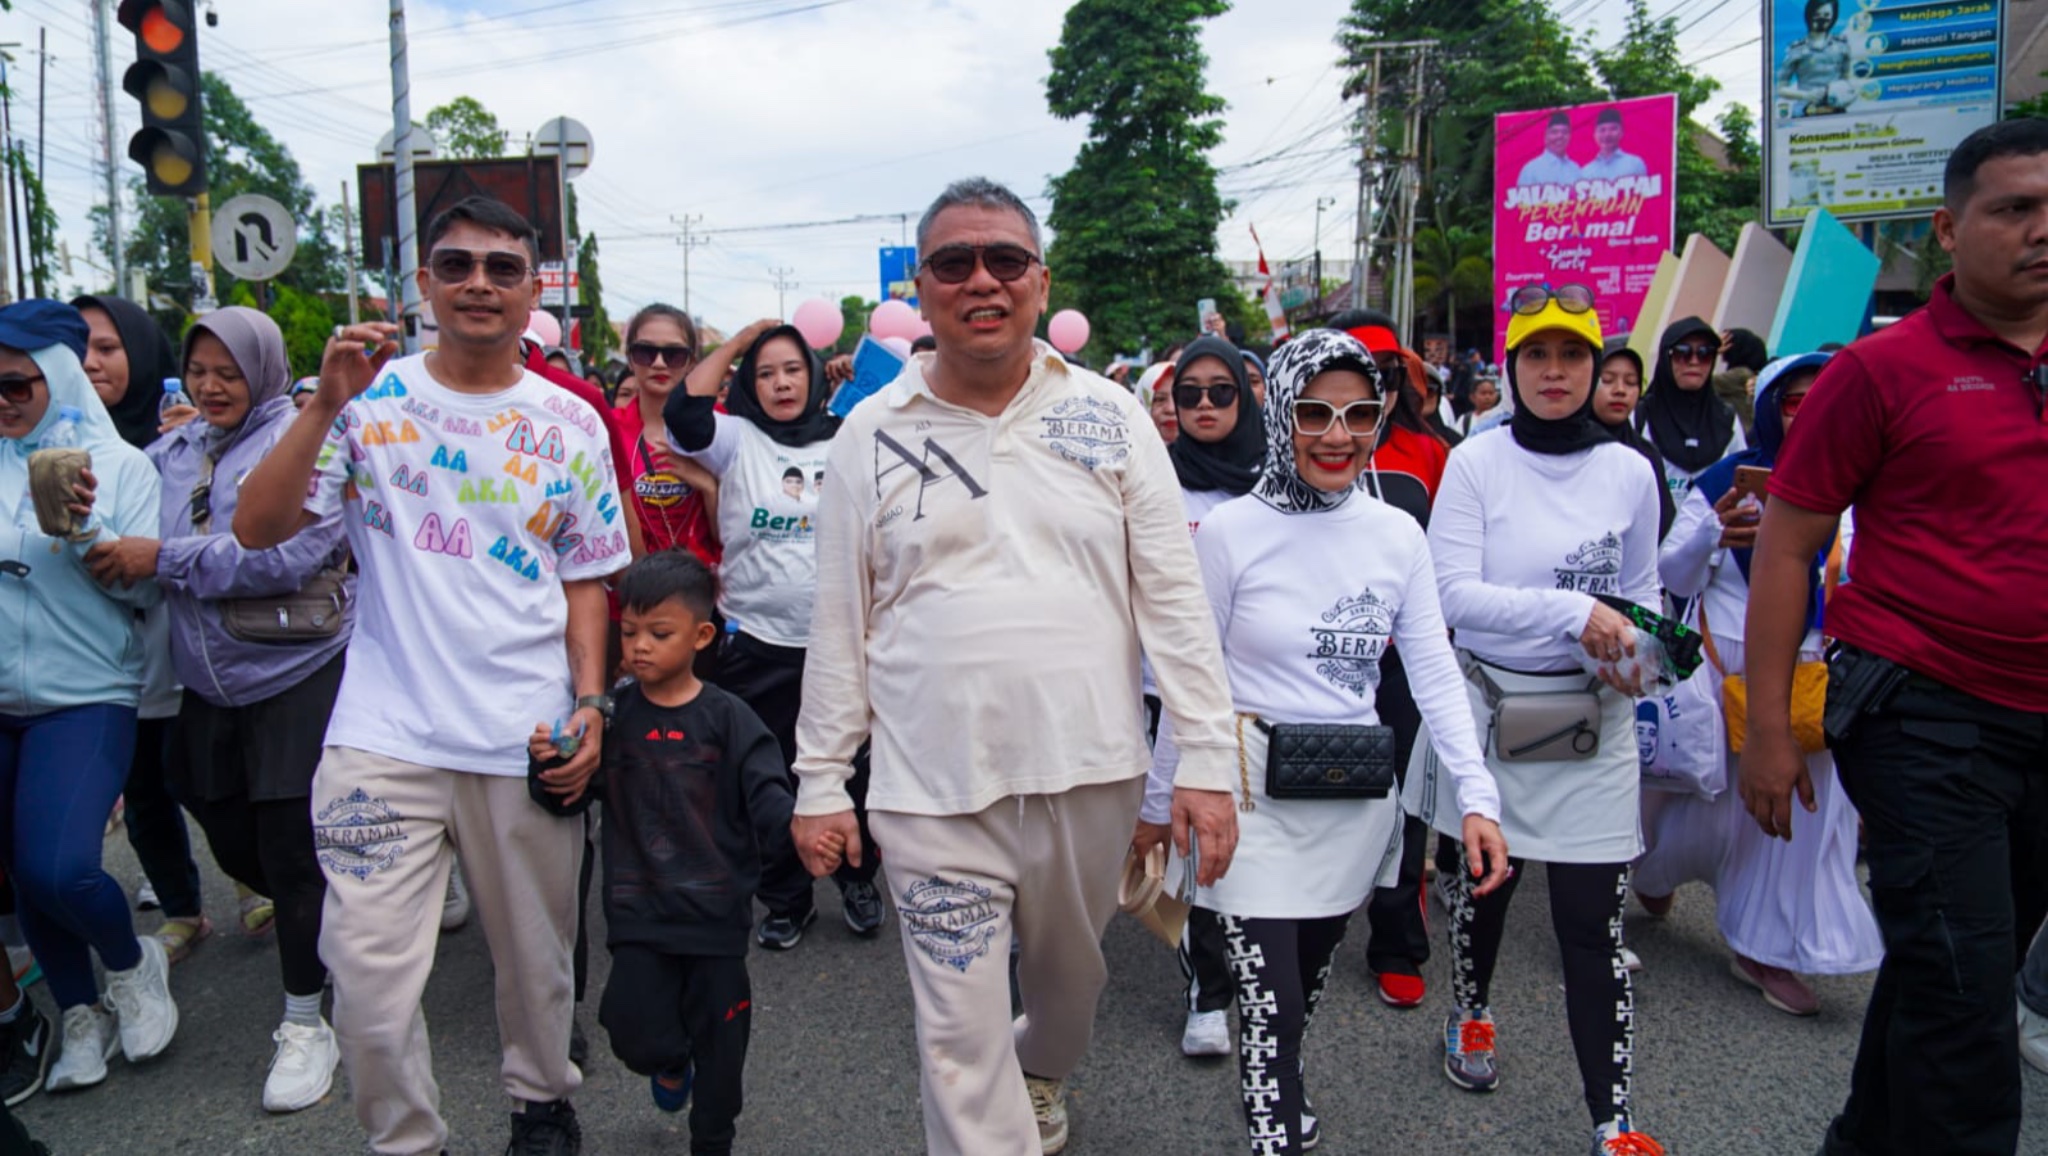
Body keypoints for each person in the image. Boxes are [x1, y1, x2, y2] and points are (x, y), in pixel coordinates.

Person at [790, 177, 1241, 1156]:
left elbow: (1172, 598)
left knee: (1066, 996)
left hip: (1089, 772)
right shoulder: (870, 431)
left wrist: (1206, 759)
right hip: (928, 789)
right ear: (925, 284)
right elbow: (837, 620)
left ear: (1039, 281)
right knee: (956, 1038)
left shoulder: (1112, 415)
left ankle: (1039, 1069)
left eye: (1005, 260)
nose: (980, 280)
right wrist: (821, 780)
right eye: (954, 263)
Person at [232, 196, 625, 1156]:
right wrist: (324, 401)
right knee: (364, 985)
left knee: (538, 965)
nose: (479, 283)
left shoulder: (572, 422)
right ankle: (409, 1140)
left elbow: (587, 582)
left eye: (502, 267)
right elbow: (256, 528)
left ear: (536, 290)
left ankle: (541, 1101)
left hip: (523, 736)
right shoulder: (365, 400)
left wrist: (588, 706)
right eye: (456, 265)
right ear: (423, 285)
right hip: (384, 736)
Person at [1740, 118, 2048, 1156]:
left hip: (2039, 726)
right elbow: (1785, 548)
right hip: (1920, 715)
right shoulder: (1877, 372)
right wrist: (1768, 734)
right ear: (1947, 229)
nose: (2038, 232)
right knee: (1966, 1014)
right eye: (2014, 209)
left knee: (1948, 969)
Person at [1140, 329, 1509, 1154]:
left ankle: (1285, 1092)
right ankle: (1278, 1126)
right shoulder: (1231, 532)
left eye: (1358, 413)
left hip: (1353, 804)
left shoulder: (1396, 535)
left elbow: (1435, 675)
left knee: (1298, 996)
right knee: (1267, 1003)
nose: (1337, 434)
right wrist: (1159, 806)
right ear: (1281, 414)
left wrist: (1477, 800)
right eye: (1315, 412)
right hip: (1245, 804)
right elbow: (1189, 685)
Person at [1401, 284, 1665, 1155]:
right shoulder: (1479, 459)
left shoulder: (1631, 468)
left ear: (1599, 368)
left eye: (1574, 357)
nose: (1556, 374)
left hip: (1593, 717)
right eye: (1537, 357)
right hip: (1492, 706)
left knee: (1593, 920)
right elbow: (1451, 595)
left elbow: (1645, 596)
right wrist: (1569, 612)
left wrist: (1639, 657)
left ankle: (1613, 1115)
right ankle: (1471, 1013)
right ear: (1511, 367)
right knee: (1488, 890)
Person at [102, 307, 354, 1111]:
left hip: (296, 668)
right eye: (199, 370)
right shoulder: (168, 451)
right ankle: (342, 915)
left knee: (288, 852)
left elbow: (283, 553)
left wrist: (163, 559)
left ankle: (307, 1021)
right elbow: (123, 522)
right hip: (202, 683)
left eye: (230, 372)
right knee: (214, 812)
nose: (212, 387)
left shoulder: (309, 437)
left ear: (267, 370)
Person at [1636, 353, 1880, 1018]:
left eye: (1822, 397)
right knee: (1702, 798)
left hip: (1816, 679)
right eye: (1795, 399)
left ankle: (1766, 945)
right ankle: (1654, 870)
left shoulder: (1866, 481)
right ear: (1771, 406)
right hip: (1724, 677)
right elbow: (1673, 576)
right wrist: (1714, 532)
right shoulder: (1722, 482)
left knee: (1794, 819)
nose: (1809, 411)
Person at [527, 551, 792, 1155]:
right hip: (640, 918)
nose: (639, 646)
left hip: (716, 924)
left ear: (701, 636)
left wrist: (805, 838)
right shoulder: (611, 721)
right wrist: (548, 766)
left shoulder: (729, 720)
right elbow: (567, 799)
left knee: (723, 1062)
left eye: (658, 633)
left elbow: (769, 796)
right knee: (632, 1034)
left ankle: (712, 1140)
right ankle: (672, 1064)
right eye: (628, 631)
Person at [0, 300, 178, 1094]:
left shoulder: (127, 468)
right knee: (18, 871)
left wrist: (81, 527)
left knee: (62, 865)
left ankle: (131, 963)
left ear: (60, 378)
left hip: (87, 695)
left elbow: (142, 599)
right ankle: (78, 1011)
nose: (0, 402)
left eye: (14, 384)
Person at [664, 318, 885, 949]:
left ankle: (857, 876)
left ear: (814, 375)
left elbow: (906, 385)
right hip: (757, 643)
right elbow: (684, 411)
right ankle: (786, 898)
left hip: (842, 644)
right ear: (747, 384)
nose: (781, 383)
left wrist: (856, 377)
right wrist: (735, 343)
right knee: (768, 781)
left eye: (792, 369)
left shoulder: (848, 433)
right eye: (765, 373)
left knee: (856, 774)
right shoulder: (735, 441)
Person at [72, 294, 221, 957]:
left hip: (184, 642)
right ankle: (182, 906)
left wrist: (199, 444)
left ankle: (251, 881)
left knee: (204, 774)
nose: (89, 362)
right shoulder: (46, 443)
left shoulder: (183, 438)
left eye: (107, 347)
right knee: (142, 787)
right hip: (96, 652)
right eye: (77, 348)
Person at [1144, 335, 1265, 1058]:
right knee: (1187, 853)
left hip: (1251, 700)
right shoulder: (1152, 480)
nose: (1205, 405)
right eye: (1189, 394)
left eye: (1223, 392)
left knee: (1239, 853)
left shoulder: (1276, 484)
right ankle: (1207, 990)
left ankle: (1253, 971)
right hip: (1162, 694)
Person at [613, 304, 719, 567]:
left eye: (673, 354)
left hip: (704, 592)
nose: (659, 363)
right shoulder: (607, 429)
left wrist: (709, 488)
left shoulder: (718, 424)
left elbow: (731, 534)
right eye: (645, 352)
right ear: (630, 359)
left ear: (691, 362)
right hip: (633, 593)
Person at [1636, 316, 1745, 505]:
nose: (1694, 361)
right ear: (1666, 357)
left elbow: (1742, 480)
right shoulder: (1640, 416)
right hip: (1652, 532)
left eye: (1705, 353)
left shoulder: (1727, 420)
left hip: (1712, 532)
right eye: (1682, 352)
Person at [1594, 340, 1676, 538]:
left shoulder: (1645, 455)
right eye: (1607, 380)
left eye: (1631, 382)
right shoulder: (1565, 447)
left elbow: (1660, 523)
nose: (1620, 390)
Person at [1776, 0, 1853, 117]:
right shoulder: (1796, 49)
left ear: (1833, 16)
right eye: (1817, 15)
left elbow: (1847, 80)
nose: (1821, 19)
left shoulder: (1842, 46)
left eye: (1826, 15)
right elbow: (1781, 88)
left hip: (1836, 111)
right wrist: (1805, 95)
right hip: (1805, 111)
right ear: (1809, 15)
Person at [1516, 111, 1582, 188]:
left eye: (1564, 132)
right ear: (1546, 136)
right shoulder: (1531, 170)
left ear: (1570, 136)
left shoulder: (1575, 169)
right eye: (1554, 132)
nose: (1559, 136)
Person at [1580, 108, 1648, 180]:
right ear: (1595, 135)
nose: (1607, 134)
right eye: (1602, 130)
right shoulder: (1586, 172)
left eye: (1613, 129)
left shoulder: (1635, 163)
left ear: (1621, 132)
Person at [1456, 371, 1506, 437]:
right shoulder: (1465, 420)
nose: (1487, 397)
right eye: (1483, 393)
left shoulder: (1502, 419)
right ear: (1472, 397)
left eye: (1491, 393)